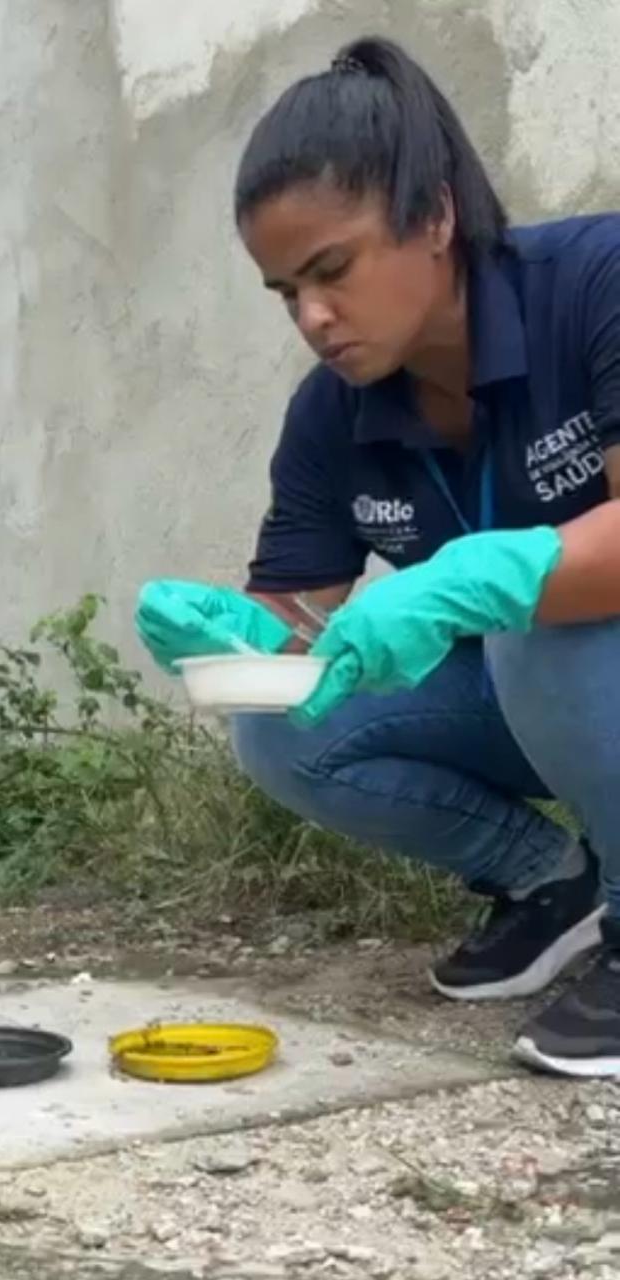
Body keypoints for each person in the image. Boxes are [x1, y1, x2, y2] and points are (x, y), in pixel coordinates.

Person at [135, 36, 620, 1078]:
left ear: (435, 216)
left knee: (537, 615)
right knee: (281, 728)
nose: (311, 316)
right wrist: (233, 638)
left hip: (584, 669)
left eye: (332, 270)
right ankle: (553, 881)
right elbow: (294, 623)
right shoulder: (331, 415)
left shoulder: (595, 280)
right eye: (282, 292)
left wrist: (488, 575)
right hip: (542, 700)